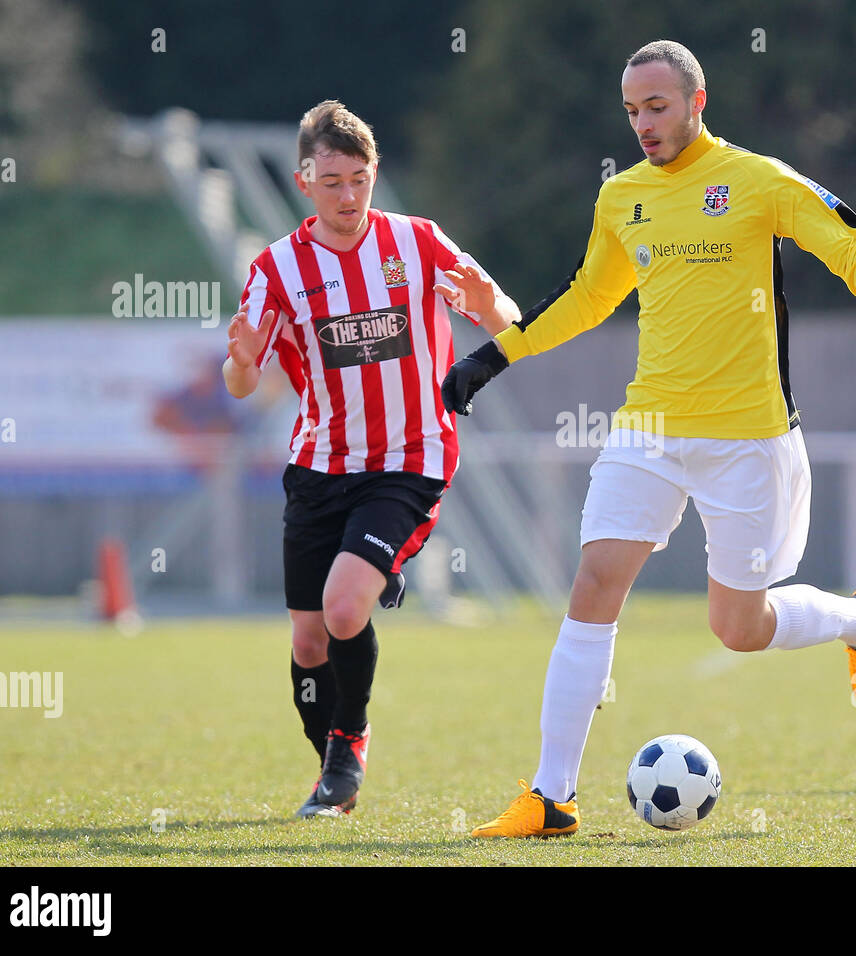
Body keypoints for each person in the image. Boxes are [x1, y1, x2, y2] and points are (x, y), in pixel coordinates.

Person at [441, 40, 856, 837]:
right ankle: (552, 797)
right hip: (648, 428)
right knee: (593, 586)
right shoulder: (622, 197)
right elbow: (588, 296)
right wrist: (495, 355)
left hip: (749, 440)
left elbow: (840, 229)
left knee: (739, 628)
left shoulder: (757, 178)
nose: (642, 125)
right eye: (630, 111)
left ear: (698, 100)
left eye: (656, 107)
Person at [223, 100, 519, 817]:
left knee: (344, 608)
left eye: (360, 179)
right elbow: (241, 381)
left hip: (410, 460)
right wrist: (238, 362)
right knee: (308, 638)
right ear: (305, 182)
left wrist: (489, 303)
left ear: (375, 173)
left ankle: (350, 744)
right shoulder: (277, 269)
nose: (349, 196)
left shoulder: (417, 242)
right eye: (332, 182)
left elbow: (504, 317)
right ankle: (333, 758)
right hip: (321, 467)